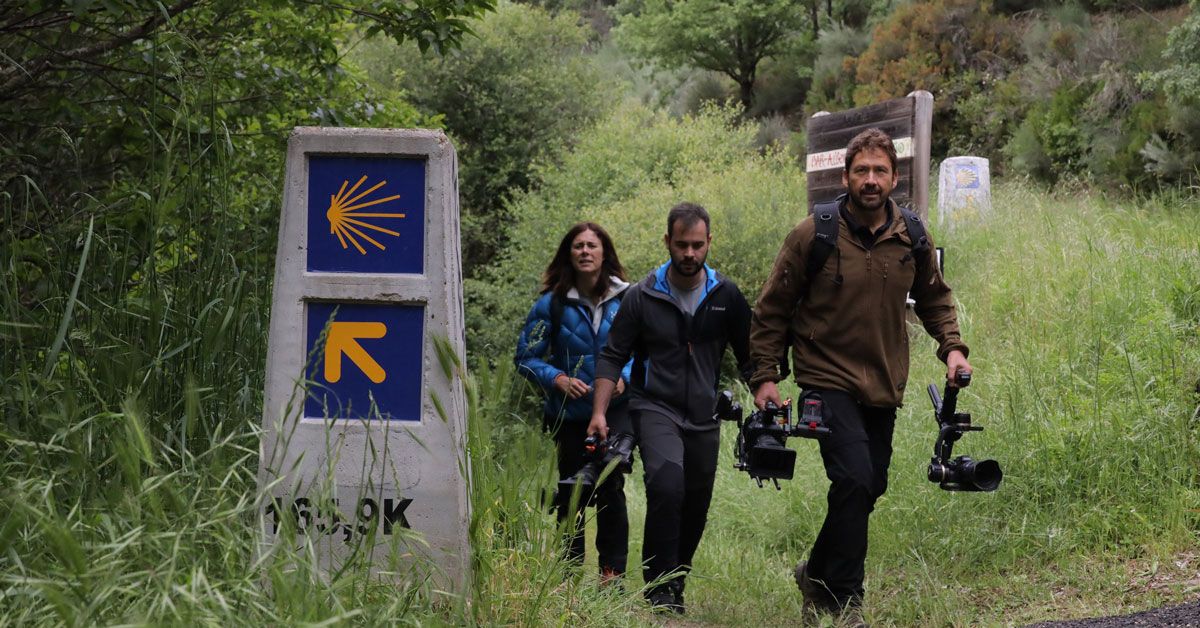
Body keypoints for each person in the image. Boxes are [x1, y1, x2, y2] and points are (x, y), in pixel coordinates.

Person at [749, 128, 973, 618]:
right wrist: (765, 377)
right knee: (852, 479)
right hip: (825, 377)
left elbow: (936, 299)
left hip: (884, 381)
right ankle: (846, 599)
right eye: (861, 171)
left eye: (880, 171)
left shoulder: (911, 236)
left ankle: (815, 573)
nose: (870, 180)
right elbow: (772, 309)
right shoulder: (815, 233)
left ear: (894, 177)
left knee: (870, 485)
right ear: (846, 176)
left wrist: (952, 349)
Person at [589, 202, 752, 613]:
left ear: (709, 242)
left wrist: (765, 387)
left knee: (696, 501)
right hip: (653, 405)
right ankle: (658, 588)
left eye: (698, 245)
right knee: (666, 485)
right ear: (668, 242)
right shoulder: (642, 296)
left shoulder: (725, 295)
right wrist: (599, 412)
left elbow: (752, 355)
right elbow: (612, 356)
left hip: (703, 413)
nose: (690, 254)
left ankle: (674, 580)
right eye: (682, 245)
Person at [515, 222, 633, 583]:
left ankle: (611, 577)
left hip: (616, 413)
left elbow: (647, 351)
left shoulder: (629, 299)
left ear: (604, 253)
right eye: (578, 246)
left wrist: (624, 377)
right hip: (568, 415)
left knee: (611, 489)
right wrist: (557, 379)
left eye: (591, 246)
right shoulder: (550, 304)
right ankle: (568, 575)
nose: (585, 251)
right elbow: (525, 358)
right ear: (569, 253)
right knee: (571, 493)